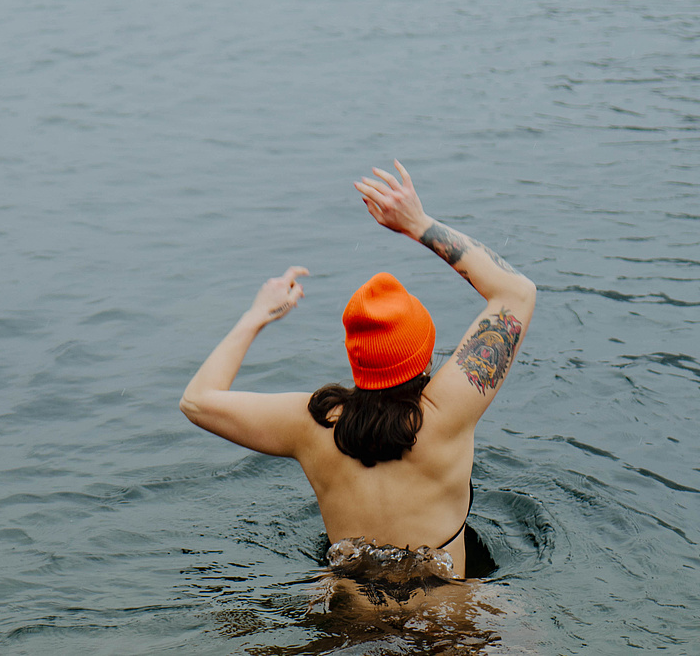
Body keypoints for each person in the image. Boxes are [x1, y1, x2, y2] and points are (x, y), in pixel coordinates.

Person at [180, 161, 536, 582]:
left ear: (357, 357)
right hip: (446, 616)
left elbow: (197, 401)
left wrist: (256, 316)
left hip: (349, 616)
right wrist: (418, 224)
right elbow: (517, 291)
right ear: (423, 355)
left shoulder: (309, 424)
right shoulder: (452, 409)